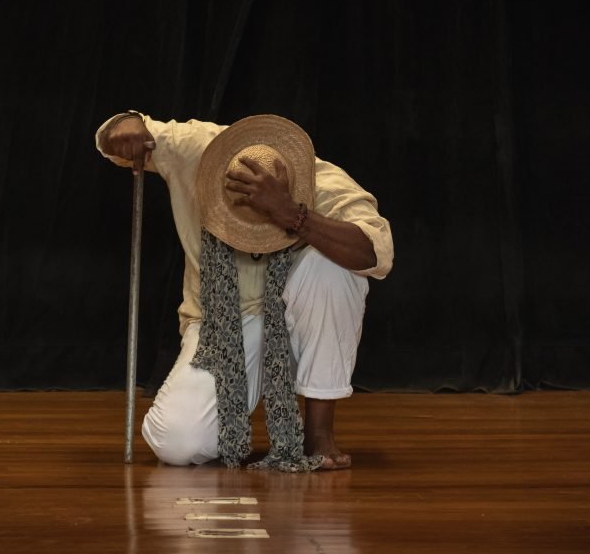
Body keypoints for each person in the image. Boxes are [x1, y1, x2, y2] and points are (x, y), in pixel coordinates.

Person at [97, 111, 393, 470]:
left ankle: (319, 433)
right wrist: (124, 126)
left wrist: (291, 216)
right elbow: (124, 131)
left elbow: (374, 252)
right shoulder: (199, 148)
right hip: (222, 324)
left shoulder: (324, 183)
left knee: (334, 267)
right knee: (177, 443)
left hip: (296, 320)